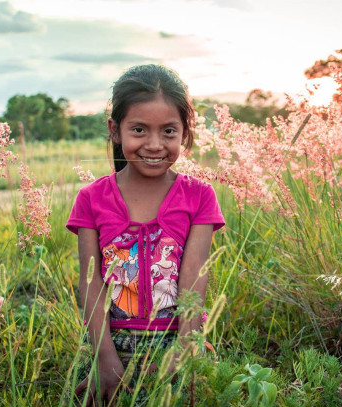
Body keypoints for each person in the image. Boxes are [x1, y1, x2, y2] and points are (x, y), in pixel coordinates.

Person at [66, 64, 225, 405]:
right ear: (115, 130)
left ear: (185, 132)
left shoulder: (199, 196)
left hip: (176, 342)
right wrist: (103, 357)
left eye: (168, 131)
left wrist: (185, 347)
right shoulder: (91, 199)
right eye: (139, 129)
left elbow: (193, 277)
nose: (154, 145)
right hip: (111, 345)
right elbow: (91, 282)